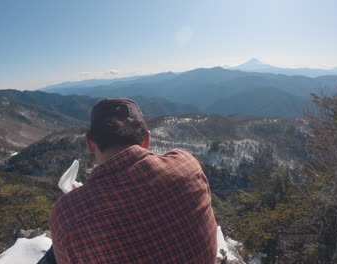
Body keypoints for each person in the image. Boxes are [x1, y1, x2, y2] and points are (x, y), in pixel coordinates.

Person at [49, 98, 217, 263]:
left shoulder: (68, 213)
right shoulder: (187, 165)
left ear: (89, 143)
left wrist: (81, 199)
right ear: (147, 140)